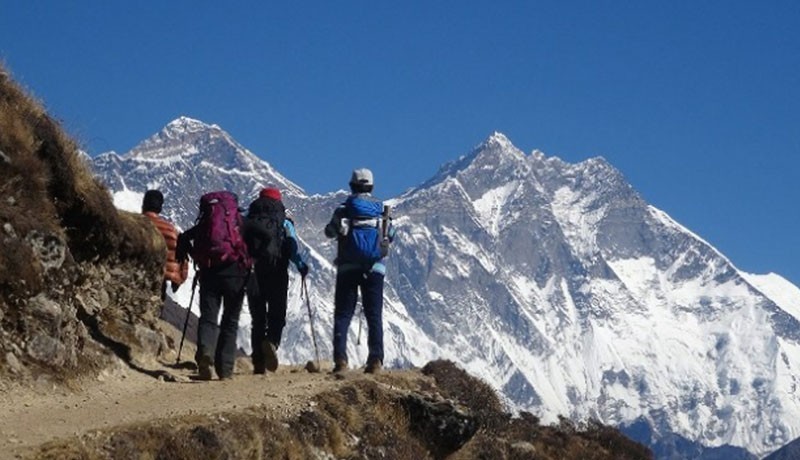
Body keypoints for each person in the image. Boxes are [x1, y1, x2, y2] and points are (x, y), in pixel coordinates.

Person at [324, 168, 394, 374]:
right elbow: (391, 235)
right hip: (375, 269)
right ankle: (375, 360)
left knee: (344, 314)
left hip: (348, 267)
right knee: (374, 314)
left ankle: (340, 360)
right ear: (371, 187)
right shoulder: (382, 211)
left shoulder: (343, 210)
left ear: (352, 186)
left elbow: (329, 232)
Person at [176, 191, 251, 381]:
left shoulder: (204, 224)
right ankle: (225, 370)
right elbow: (259, 239)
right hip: (236, 276)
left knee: (208, 319)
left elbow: (183, 237)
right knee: (230, 321)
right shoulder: (240, 222)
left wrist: (193, 256)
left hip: (209, 273)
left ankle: (205, 354)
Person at [242, 187, 309, 374]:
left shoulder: (247, 218)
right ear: (278, 203)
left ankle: (258, 363)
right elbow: (292, 246)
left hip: (253, 271)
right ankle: (272, 341)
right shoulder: (284, 222)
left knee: (258, 317)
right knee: (277, 313)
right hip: (277, 271)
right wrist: (300, 265)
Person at [141, 189, 188, 300]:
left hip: (132, 278)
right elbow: (182, 259)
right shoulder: (172, 231)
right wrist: (177, 280)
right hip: (158, 282)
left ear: (144, 204)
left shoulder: (132, 223)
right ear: (160, 208)